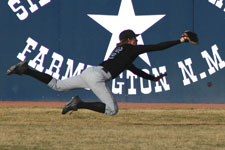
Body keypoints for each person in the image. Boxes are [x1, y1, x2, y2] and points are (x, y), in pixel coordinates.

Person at [7, 29, 189, 116]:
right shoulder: (131, 49)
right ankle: (79, 103)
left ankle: (26, 70)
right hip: (97, 76)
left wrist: (153, 78)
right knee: (112, 110)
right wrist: (180, 41)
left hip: (91, 72)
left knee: (57, 85)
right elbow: (158, 47)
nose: (136, 41)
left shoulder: (120, 51)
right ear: (128, 40)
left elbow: (133, 69)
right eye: (134, 39)